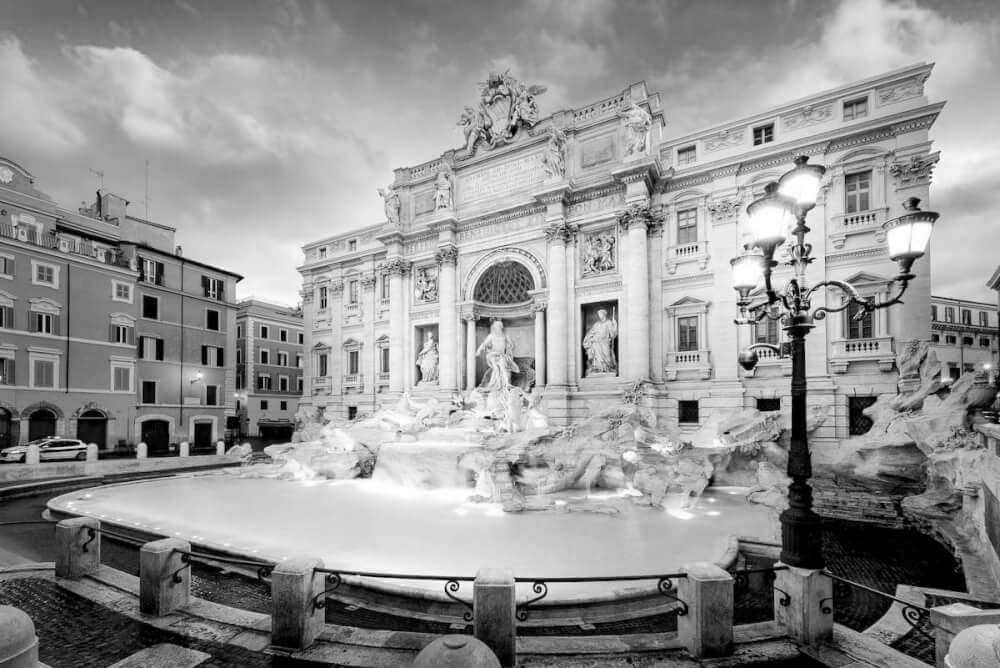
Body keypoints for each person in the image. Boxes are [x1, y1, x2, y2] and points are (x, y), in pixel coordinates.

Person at [475, 320, 519, 390]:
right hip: (492, 354)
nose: (498, 328)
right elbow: (484, 344)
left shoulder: (505, 336)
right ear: (495, 327)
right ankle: (497, 385)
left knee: (502, 367)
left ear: (501, 327)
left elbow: (512, 345)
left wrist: (509, 348)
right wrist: (478, 351)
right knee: (496, 368)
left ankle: (506, 384)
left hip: (501, 355)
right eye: (496, 326)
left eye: (499, 326)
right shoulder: (491, 336)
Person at [583, 308, 618, 374]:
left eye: (600, 314)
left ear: (604, 314)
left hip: (605, 342)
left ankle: (607, 369)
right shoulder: (596, 324)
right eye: (598, 314)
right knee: (595, 349)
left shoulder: (608, 322)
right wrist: (590, 338)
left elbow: (612, 334)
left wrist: (615, 325)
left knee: (607, 357)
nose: (599, 316)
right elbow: (591, 332)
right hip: (597, 342)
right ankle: (598, 368)